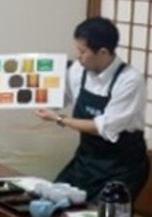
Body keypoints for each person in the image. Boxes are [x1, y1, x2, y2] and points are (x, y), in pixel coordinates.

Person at [34, 16, 150, 202]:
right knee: (49, 202)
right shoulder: (79, 70)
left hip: (121, 166)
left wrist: (60, 120)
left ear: (103, 52)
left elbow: (103, 127)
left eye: (82, 51)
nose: (78, 56)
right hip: (86, 160)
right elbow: (58, 97)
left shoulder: (130, 80)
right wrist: (8, 81)